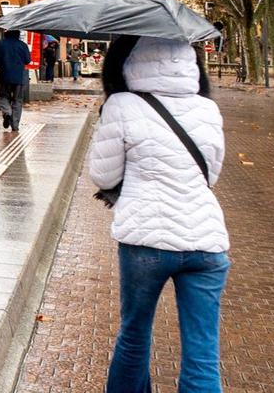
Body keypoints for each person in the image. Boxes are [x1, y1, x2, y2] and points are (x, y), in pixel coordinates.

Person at [89, 36, 228, 393]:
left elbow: (103, 176)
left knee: (135, 335)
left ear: (128, 60)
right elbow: (211, 174)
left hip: (145, 241)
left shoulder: (122, 104)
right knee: (203, 353)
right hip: (207, 241)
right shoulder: (207, 108)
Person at [0, 28, 31, 132]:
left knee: (4, 96)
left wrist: (1, 67)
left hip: (4, 76)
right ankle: (15, 125)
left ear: (6, 33)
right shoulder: (23, 45)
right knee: (18, 100)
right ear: (18, 33)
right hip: (19, 77)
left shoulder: (0, 44)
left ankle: (7, 112)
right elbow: (27, 60)